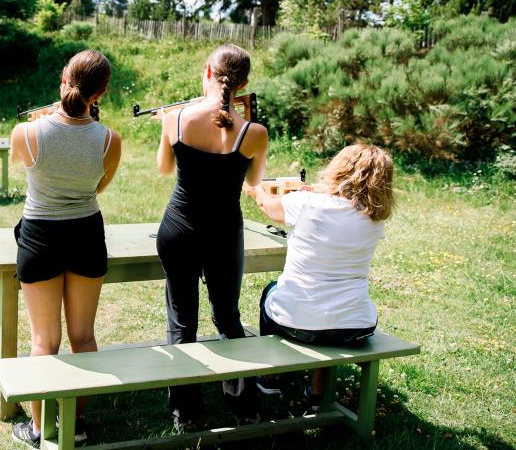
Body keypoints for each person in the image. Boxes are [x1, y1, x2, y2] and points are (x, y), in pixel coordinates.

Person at [9, 49, 122, 450]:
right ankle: (75, 424)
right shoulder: (110, 140)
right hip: (86, 232)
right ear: (101, 93)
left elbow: (22, 164)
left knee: (44, 341)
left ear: (62, 81)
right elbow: (97, 187)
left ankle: (41, 429)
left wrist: (42, 125)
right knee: (83, 337)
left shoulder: (26, 133)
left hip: (40, 235)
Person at [155, 44, 268, 430]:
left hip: (179, 229)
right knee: (228, 317)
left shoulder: (175, 119)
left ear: (207, 71)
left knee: (181, 322)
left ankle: (185, 413)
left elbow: (164, 168)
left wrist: (166, 126)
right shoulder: (254, 132)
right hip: (223, 232)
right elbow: (254, 180)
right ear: (243, 85)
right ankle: (244, 407)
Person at [244, 144, 394, 407]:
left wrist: (254, 187)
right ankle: (317, 391)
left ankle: (271, 376)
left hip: (297, 322)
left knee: (270, 291)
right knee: (329, 314)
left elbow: (267, 206)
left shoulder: (306, 203)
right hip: (354, 325)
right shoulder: (375, 218)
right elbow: (343, 208)